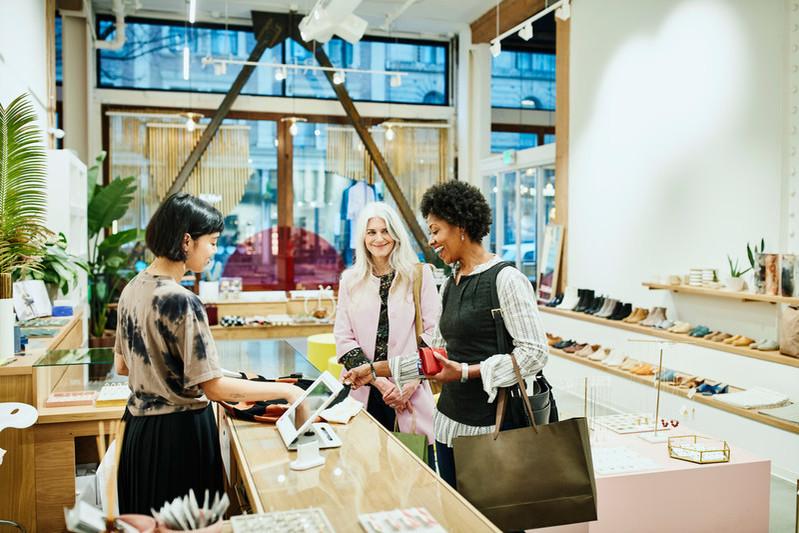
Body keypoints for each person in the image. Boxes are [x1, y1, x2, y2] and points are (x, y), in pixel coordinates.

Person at [343, 181, 548, 488]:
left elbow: (534, 353)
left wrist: (467, 372)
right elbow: (434, 356)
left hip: (490, 428)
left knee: (492, 517)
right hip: (448, 427)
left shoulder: (506, 279)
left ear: (461, 227)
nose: (433, 240)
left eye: (437, 230)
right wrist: (374, 370)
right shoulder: (452, 283)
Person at [114, 193, 306, 514]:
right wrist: (288, 391)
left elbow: (124, 365)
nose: (214, 253)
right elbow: (213, 388)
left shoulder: (132, 288)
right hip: (178, 438)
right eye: (213, 242)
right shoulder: (182, 301)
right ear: (187, 241)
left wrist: (234, 376)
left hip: (138, 434)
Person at [334, 202, 440, 468]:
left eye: (385, 230)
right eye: (371, 232)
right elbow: (344, 338)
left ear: (396, 234)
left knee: (411, 475)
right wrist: (380, 382)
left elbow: (433, 333)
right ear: (362, 237)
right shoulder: (350, 280)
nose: (379, 238)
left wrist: (408, 382)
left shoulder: (419, 275)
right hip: (363, 393)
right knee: (365, 476)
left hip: (409, 393)